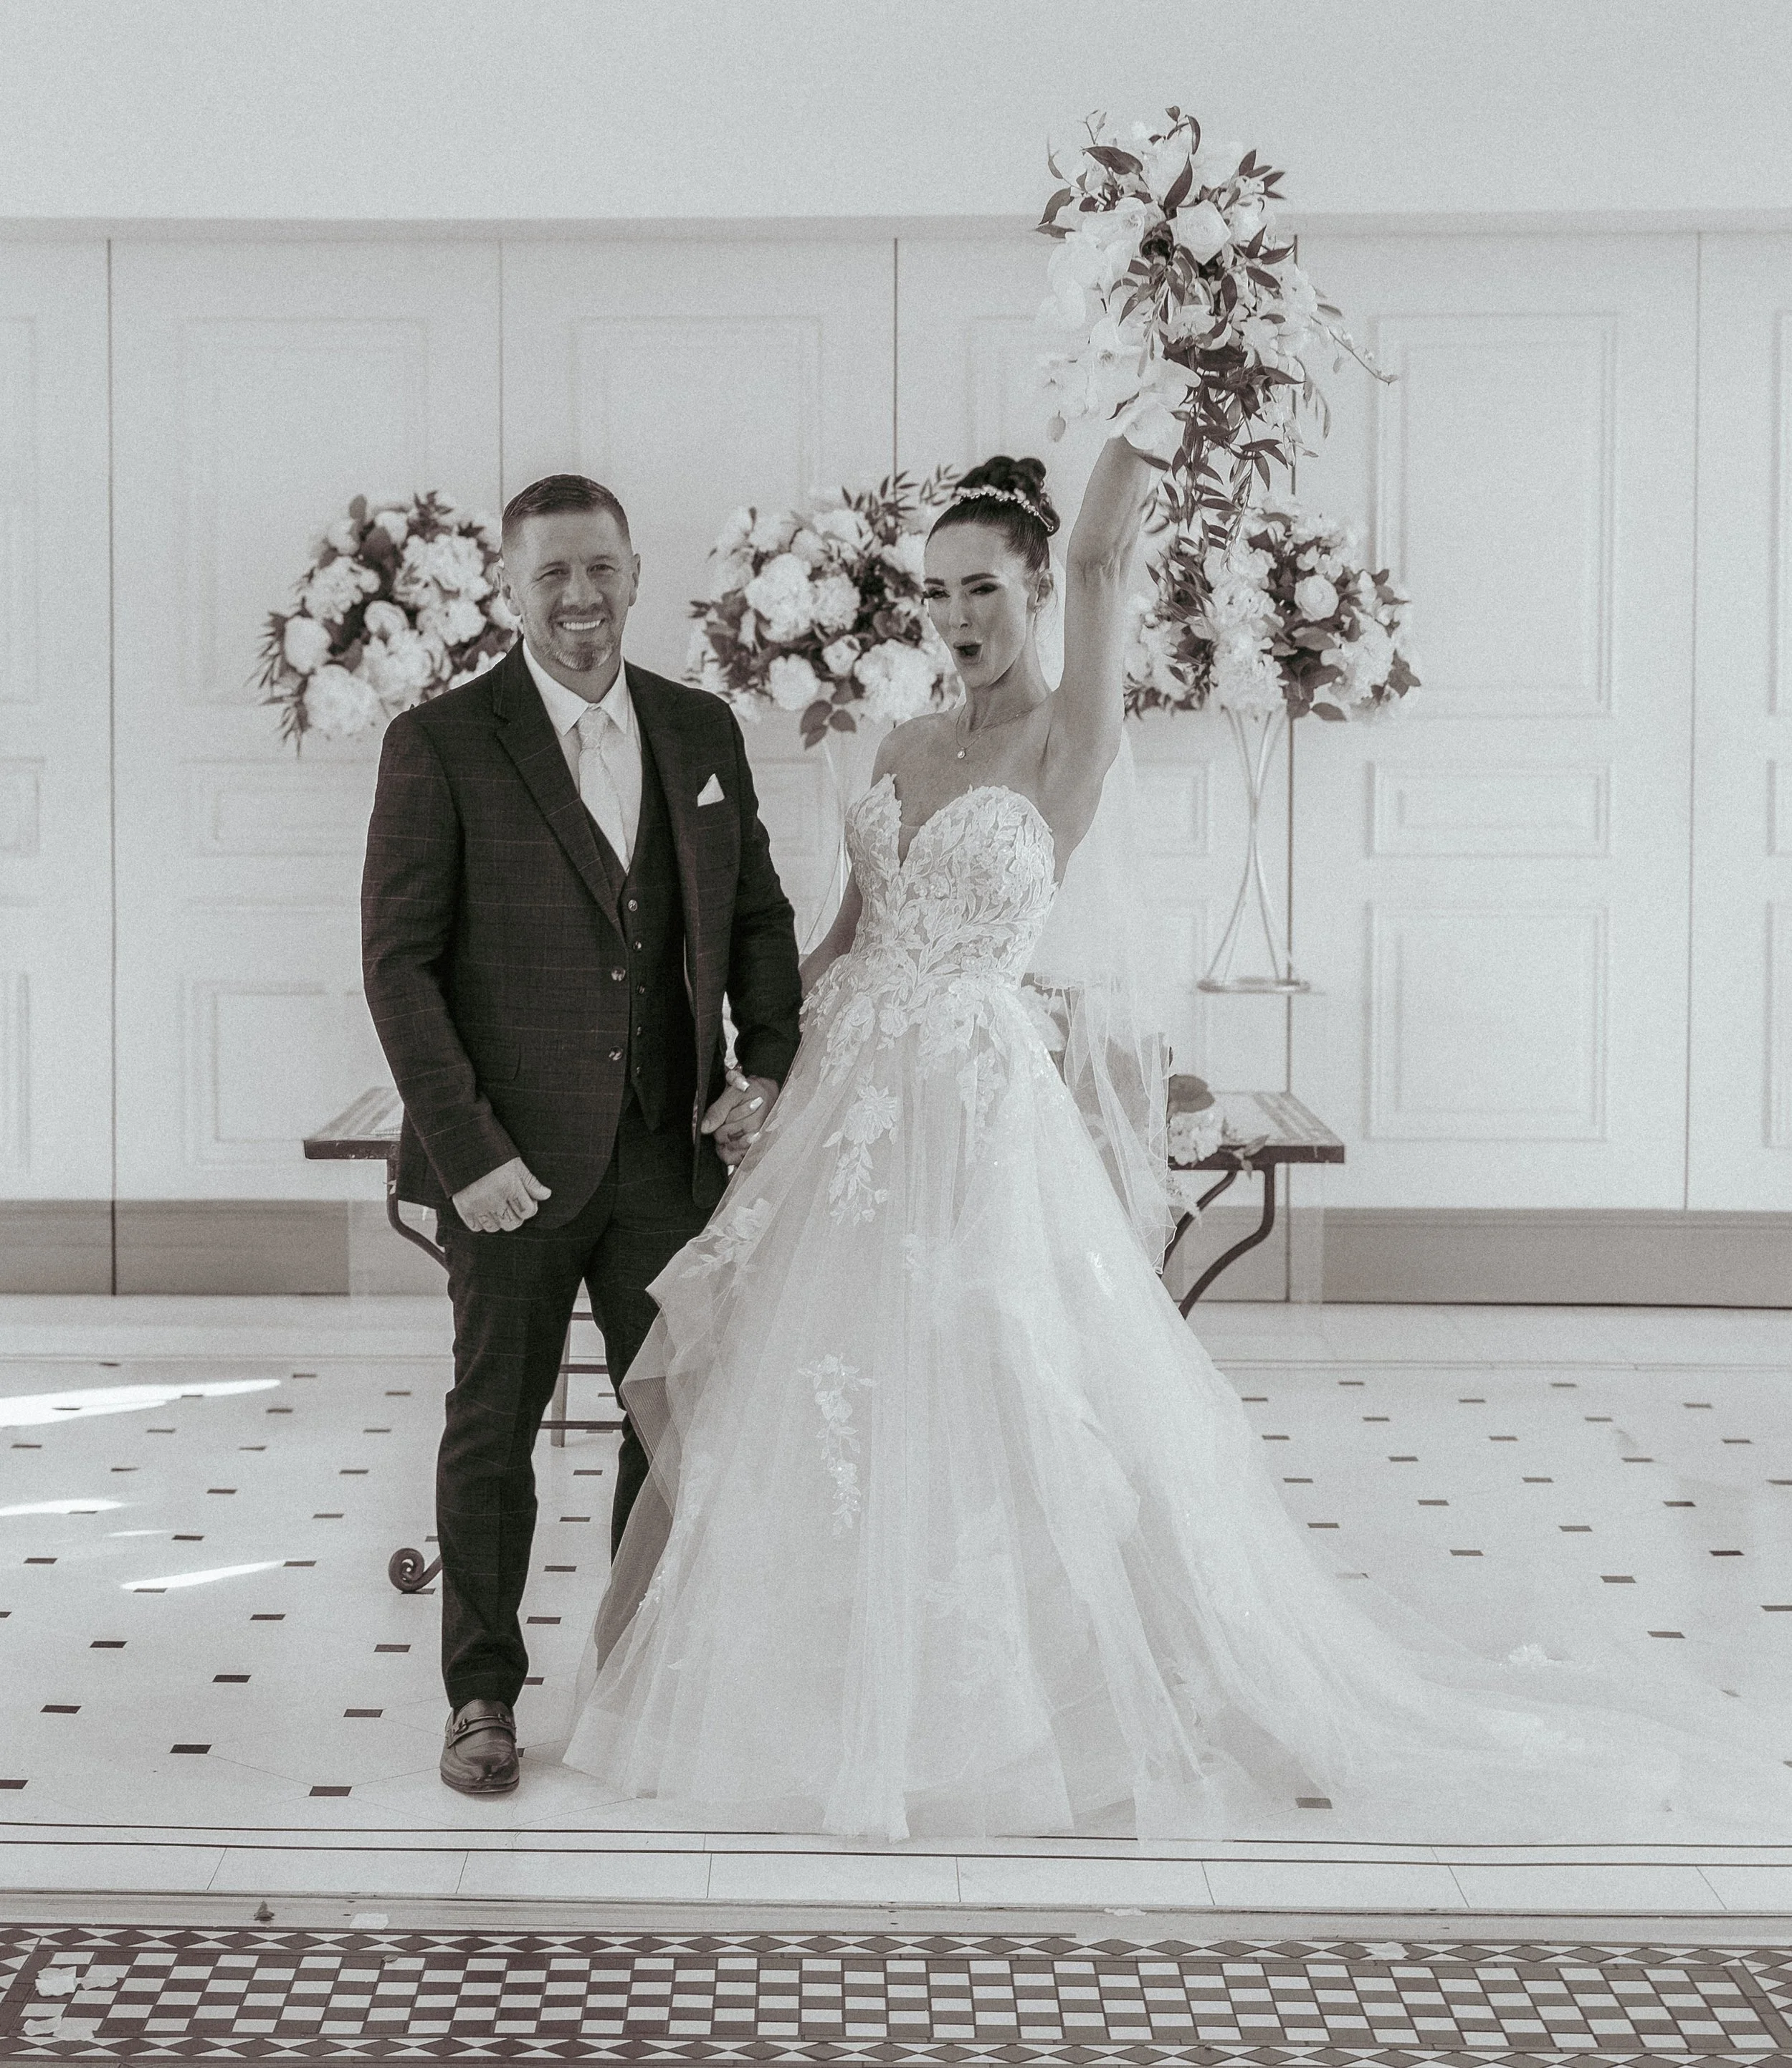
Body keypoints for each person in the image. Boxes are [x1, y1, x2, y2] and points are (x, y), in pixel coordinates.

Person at [563, 444, 1792, 1844]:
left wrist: (1146, 409)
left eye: (985, 589)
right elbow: (848, 934)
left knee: (1008, 1382)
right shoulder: (903, 744)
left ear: (1036, 591)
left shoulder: (1066, 741)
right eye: (937, 592)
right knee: (779, 1377)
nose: (956, 616)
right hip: (853, 1094)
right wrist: (770, 1076)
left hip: (969, 1097)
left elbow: (1100, 559)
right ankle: (801, 1683)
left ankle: (1069, 1695)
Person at [361, 473, 801, 1798]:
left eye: (600, 568)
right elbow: (398, 964)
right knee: (492, 1427)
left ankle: (637, 1673)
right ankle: (481, 1697)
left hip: (663, 1153)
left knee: (669, 1417)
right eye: (551, 572)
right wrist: (470, 1150)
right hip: (508, 1168)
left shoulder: (701, 728)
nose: (580, 597)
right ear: (510, 585)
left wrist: (768, 1062)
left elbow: (764, 918)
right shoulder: (440, 741)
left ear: (635, 572)